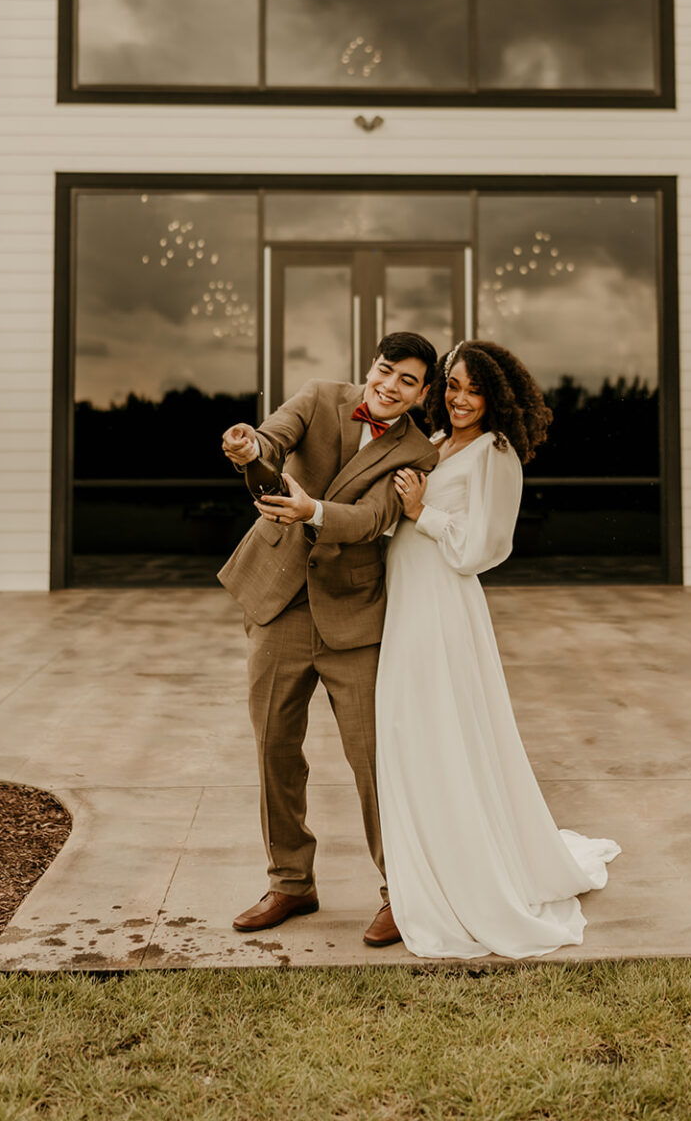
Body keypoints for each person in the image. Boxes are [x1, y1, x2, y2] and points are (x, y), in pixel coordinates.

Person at [378, 339, 621, 958]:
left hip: (442, 608)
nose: (459, 398)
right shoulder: (434, 443)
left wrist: (421, 510)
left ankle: (467, 870)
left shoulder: (497, 453)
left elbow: (484, 549)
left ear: (495, 397)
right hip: (405, 602)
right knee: (410, 733)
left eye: (473, 389)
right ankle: (423, 859)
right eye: (452, 386)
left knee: (442, 732)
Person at [218, 331, 439, 947]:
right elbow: (272, 441)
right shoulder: (318, 397)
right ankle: (290, 882)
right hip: (280, 600)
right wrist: (247, 446)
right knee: (275, 750)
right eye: (385, 370)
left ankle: (401, 890)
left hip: (354, 615)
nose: (389, 386)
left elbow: (372, 519)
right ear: (371, 367)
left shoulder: (419, 451)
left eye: (407, 381)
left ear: (423, 395)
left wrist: (311, 510)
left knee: (374, 760)